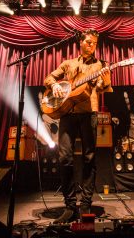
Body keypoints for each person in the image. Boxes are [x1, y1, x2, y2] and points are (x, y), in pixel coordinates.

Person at [43, 29, 112, 223]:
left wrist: (102, 81)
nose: (91, 46)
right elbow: (48, 78)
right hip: (67, 114)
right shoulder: (68, 64)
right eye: (88, 42)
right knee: (65, 157)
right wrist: (54, 85)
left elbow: (103, 86)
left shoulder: (101, 65)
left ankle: (86, 204)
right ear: (80, 43)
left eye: (95, 44)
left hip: (89, 114)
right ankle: (70, 205)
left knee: (89, 157)